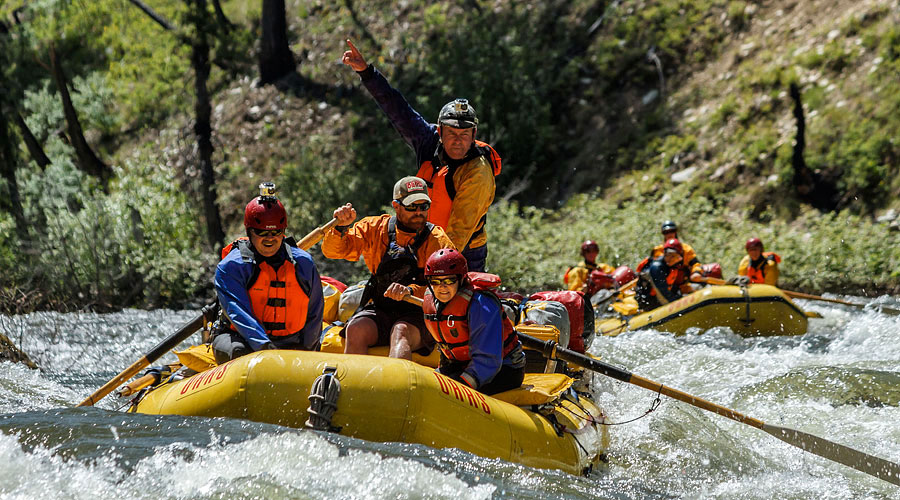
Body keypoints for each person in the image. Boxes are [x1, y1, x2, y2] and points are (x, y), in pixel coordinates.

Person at [341, 39, 500, 272]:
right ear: (440, 131)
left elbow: (459, 232)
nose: (458, 140)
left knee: (453, 307)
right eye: (451, 133)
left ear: (474, 134)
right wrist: (367, 73)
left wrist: (429, 269)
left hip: (464, 251)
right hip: (424, 240)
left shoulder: (478, 171)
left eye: (465, 134)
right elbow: (398, 110)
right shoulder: (429, 141)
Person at [322, 176, 456, 359]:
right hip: (382, 308)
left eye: (423, 206)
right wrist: (340, 229)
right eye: (411, 207)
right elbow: (334, 251)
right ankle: (355, 384)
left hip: (419, 313)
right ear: (396, 206)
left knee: (400, 331)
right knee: (356, 328)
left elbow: (450, 285)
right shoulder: (374, 228)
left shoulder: (437, 240)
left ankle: (396, 386)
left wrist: (410, 290)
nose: (419, 212)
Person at [212, 183, 324, 364]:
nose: (269, 238)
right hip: (243, 340)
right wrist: (267, 350)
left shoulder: (303, 263)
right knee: (239, 351)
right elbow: (239, 314)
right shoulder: (232, 267)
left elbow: (315, 312)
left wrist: (307, 353)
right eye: (262, 232)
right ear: (249, 232)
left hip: (290, 341)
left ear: (283, 232)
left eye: (276, 232)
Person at [422, 248, 526, 395]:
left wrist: (461, 385)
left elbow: (488, 359)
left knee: (445, 395)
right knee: (427, 388)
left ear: (461, 279)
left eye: (449, 280)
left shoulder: (480, 304)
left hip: (503, 368)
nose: (442, 287)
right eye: (436, 281)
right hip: (461, 364)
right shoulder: (434, 302)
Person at [634, 238, 702, 311]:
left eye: (673, 256)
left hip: (663, 298)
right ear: (664, 254)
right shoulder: (656, 268)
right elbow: (663, 296)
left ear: (679, 257)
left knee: (697, 288)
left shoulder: (674, 267)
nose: (669, 259)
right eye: (667, 255)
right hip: (650, 302)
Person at [637, 220, 703, 276]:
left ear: (675, 232)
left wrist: (696, 272)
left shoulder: (686, 249)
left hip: (683, 284)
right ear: (663, 234)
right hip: (665, 283)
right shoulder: (658, 250)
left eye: (672, 231)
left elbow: (695, 264)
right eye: (666, 232)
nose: (669, 234)